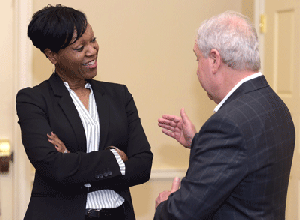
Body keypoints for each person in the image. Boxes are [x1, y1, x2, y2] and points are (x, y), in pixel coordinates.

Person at [16, 4, 153, 220]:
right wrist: (115, 158)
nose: (92, 50)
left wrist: (71, 158)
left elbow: (143, 165)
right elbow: (54, 168)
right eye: (80, 48)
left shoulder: (119, 95)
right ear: (52, 55)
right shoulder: (33, 100)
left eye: (93, 40)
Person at [154, 11, 295, 219]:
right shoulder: (276, 105)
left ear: (214, 59)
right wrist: (198, 141)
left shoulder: (227, 124)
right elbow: (246, 159)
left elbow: (181, 214)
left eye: (197, 58)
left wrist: (165, 205)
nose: (196, 70)